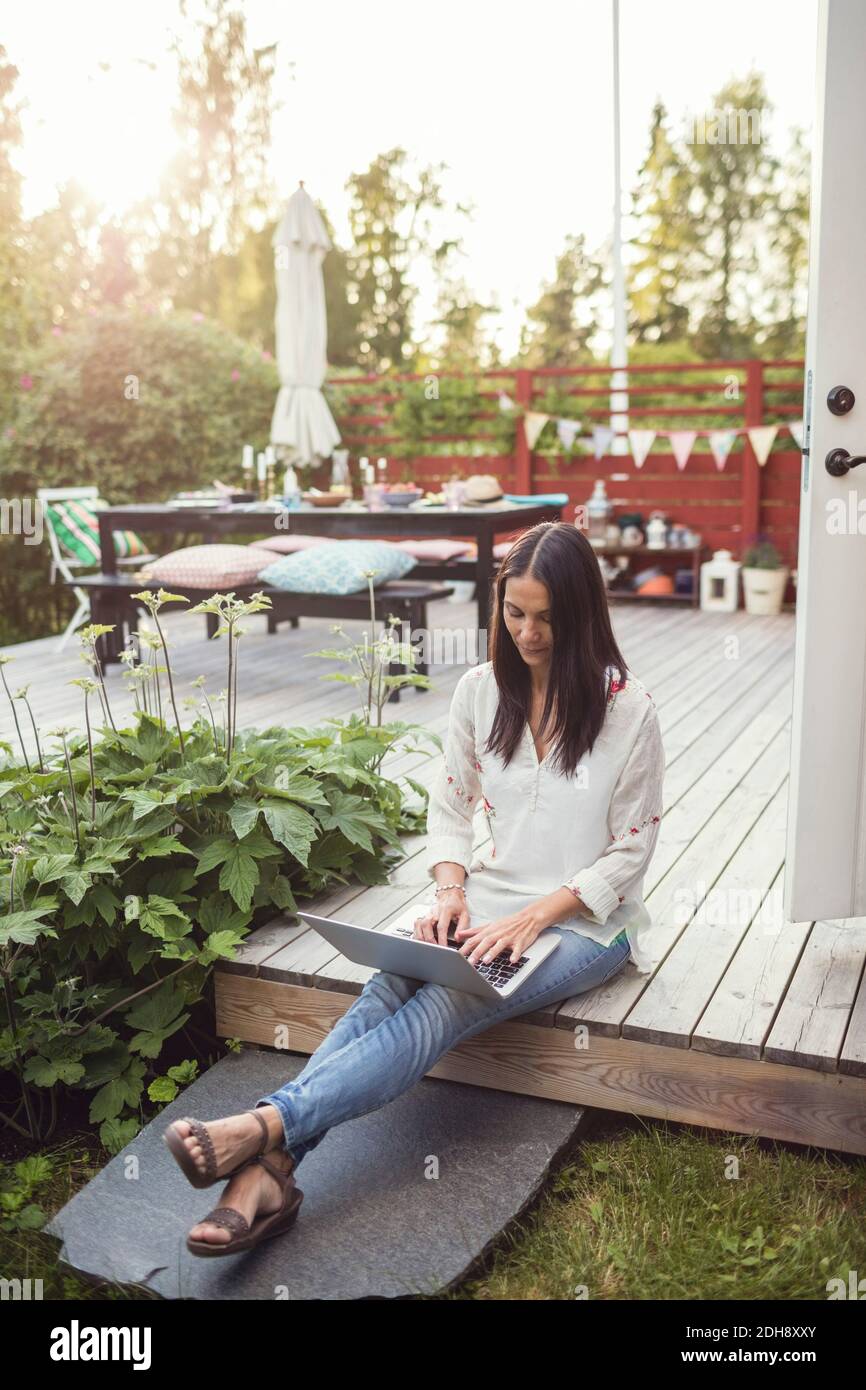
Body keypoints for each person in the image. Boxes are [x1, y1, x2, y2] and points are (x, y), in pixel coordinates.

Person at [166, 520, 665, 1253]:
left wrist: (535, 917)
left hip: (584, 924)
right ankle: (267, 1175)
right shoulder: (479, 690)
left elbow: (632, 848)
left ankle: (262, 1128)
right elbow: (449, 804)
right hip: (488, 902)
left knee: (448, 997)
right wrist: (451, 888)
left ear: (584, 613)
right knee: (386, 988)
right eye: (515, 612)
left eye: (548, 618)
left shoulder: (628, 710)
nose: (528, 633)